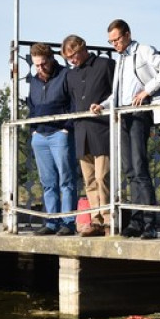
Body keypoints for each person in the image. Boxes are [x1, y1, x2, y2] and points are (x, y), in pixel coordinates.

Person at [93, 19, 160, 239]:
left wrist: (147, 91)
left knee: (139, 167)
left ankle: (149, 223)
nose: (115, 44)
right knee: (129, 170)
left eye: (117, 39)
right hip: (123, 113)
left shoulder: (143, 51)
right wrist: (103, 105)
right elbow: (119, 93)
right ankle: (136, 221)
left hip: (138, 112)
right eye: (111, 42)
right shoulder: (121, 59)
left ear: (127, 34)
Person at [62, 34, 115, 237]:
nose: (72, 61)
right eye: (68, 59)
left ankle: (110, 218)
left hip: (102, 129)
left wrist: (104, 106)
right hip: (81, 130)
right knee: (90, 180)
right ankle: (95, 219)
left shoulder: (105, 64)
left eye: (73, 55)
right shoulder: (71, 75)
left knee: (103, 177)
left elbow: (116, 93)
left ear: (82, 48)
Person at [25, 43, 77, 236]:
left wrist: (66, 129)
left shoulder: (65, 75)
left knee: (66, 179)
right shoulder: (34, 81)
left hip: (60, 134)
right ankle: (51, 221)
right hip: (40, 136)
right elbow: (31, 106)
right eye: (36, 65)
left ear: (52, 59)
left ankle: (68, 222)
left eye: (43, 64)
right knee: (48, 181)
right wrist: (33, 131)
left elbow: (74, 104)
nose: (40, 69)